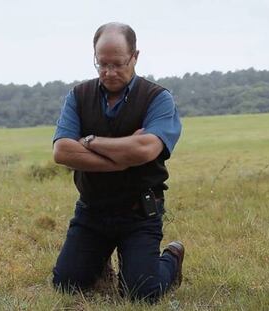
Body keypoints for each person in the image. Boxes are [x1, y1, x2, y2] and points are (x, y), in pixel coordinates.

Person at [52, 22, 184, 302]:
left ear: (135, 57)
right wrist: (120, 160)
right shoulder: (78, 96)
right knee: (66, 284)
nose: (109, 72)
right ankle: (99, 262)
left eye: (118, 64)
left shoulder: (158, 99)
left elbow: (145, 149)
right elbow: (62, 151)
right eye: (102, 64)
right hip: (92, 210)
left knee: (141, 295)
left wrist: (90, 141)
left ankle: (172, 258)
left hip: (139, 212)